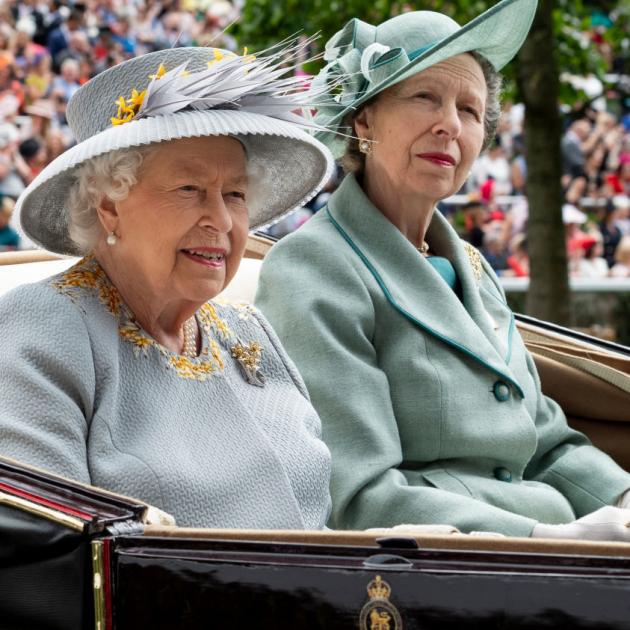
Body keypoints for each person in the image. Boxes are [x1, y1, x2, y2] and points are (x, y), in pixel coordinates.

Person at [256, 0, 630, 540]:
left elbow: (547, 440)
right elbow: (359, 498)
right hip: (455, 571)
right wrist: (546, 543)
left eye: (471, 111)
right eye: (424, 97)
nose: (450, 125)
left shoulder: (473, 269)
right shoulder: (313, 267)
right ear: (364, 118)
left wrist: (621, 497)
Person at [0, 45, 334, 530]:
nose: (220, 219)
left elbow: (321, 519)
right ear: (109, 206)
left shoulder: (250, 331)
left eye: (235, 195)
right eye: (189, 190)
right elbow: (45, 553)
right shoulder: (43, 329)